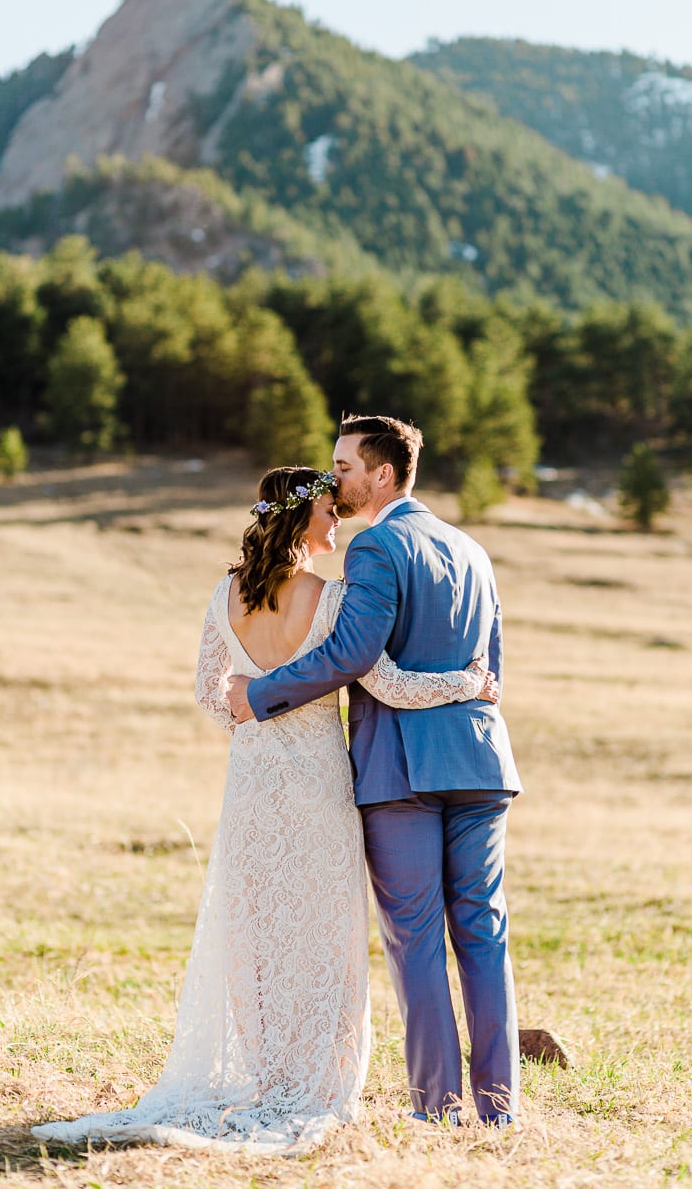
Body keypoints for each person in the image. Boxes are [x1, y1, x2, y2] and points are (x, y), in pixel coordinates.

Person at [31, 465, 495, 1156]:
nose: (338, 521)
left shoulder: (226, 592)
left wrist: (256, 734)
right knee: (322, 936)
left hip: (251, 781)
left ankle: (271, 1073)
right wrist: (468, 681)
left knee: (257, 931)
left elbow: (208, 691)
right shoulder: (332, 598)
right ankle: (312, 1085)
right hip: (318, 784)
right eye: (330, 512)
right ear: (303, 518)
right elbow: (389, 685)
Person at [228, 416, 523, 1128]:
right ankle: (497, 1108)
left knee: (416, 940)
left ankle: (439, 1108)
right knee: (483, 932)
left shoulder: (376, 545)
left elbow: (352, 652)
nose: (335, 480)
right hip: (482, 760)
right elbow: (491, 669)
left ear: (382, 474)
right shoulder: (470, 549)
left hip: (403, 773)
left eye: (345, 465)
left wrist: (258, 695)